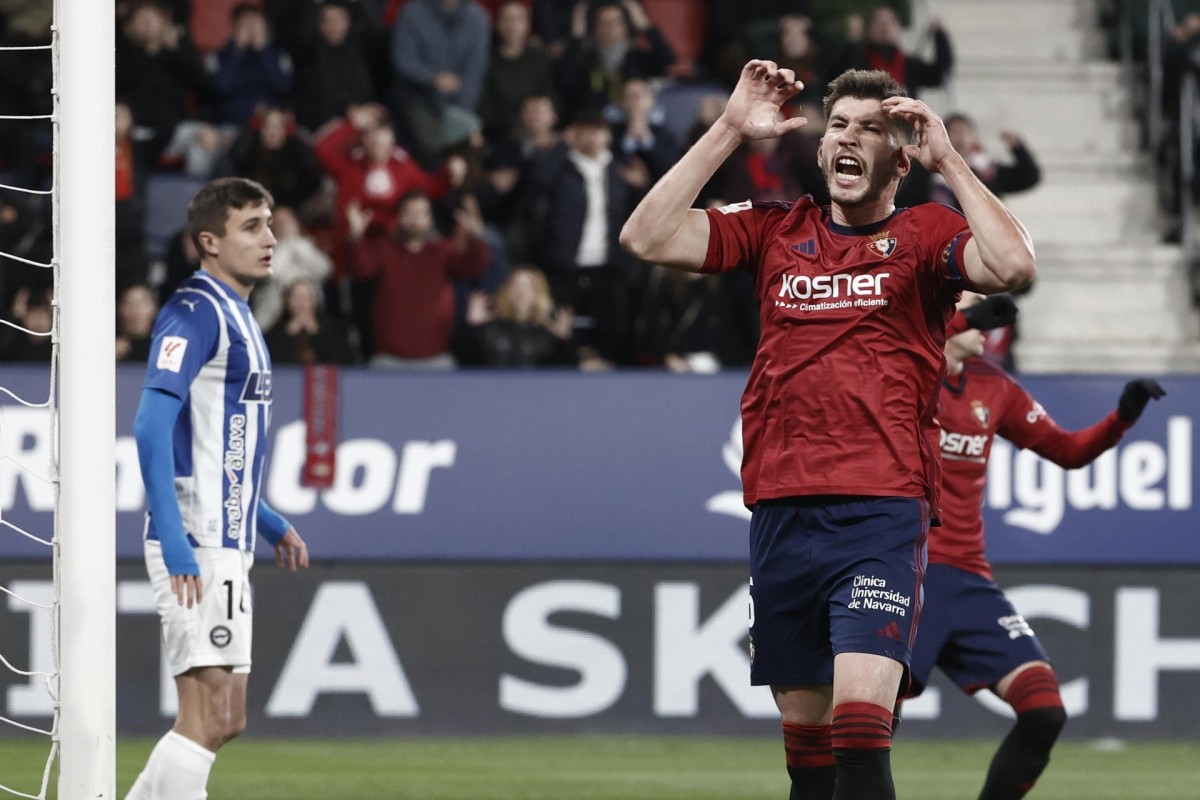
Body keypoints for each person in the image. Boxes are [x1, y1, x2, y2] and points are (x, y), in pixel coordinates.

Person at [619, 62, 1036, 799]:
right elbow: (646, 237)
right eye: (838, 125)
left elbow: (1012, 265)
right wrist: (727, 129)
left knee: (858, 725)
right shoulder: (777, 230)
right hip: (781, 510)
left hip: (879, 509)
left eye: (871, 129)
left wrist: (950, 160)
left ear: (899, 160)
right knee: (808, 752)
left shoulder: (925, 235)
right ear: (819, 149)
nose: (849, 138)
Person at [907, 294, 1166, 800]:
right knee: (867, 722)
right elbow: (910, 341)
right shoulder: (907, 370)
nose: (988, 327)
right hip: (907, 574)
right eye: (973, 312)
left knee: (1045, 709)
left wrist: (1121, 418)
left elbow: (1067, 451)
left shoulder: (994, 387)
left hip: (969, 579)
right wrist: (961, 318)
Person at [125, 177, 309, 800]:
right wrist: (175, 541)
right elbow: (151, 428)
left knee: (227, 718)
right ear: (209, 241)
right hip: (196, 543)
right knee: (203, 718)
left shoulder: (238, 314)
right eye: (251, 226)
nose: (270, 238)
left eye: (270, 222)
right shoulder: (194, 310)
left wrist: (264, 517)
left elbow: (214, 449)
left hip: (227, 538)